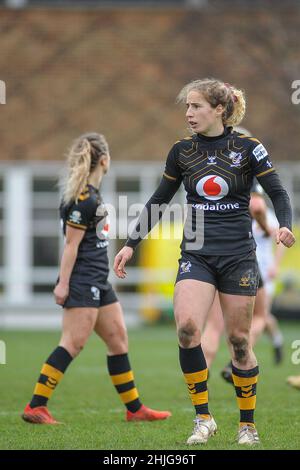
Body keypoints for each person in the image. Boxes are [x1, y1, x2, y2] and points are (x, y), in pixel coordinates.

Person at [114, 78, 295, 446]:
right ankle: (203, 419)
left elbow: (277, 191)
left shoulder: (249, 147)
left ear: (219, 110)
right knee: (187, 329)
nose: (189, 114)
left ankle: (247, 426)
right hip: (196, 254)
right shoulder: (182, 151)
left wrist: (286, 226)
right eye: (187, 107)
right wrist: (131, 243)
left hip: (238, 257)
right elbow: (159, 199)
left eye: (196, 106)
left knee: (240, 341)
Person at [22, 132, 171, 425]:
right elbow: (71, 246)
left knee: (118, 340)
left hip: (99, 281)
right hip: (83, 281)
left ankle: (135, 409)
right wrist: (63, 284)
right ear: (104, 160)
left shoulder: (92, 194)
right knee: (73, 343)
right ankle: (36, 406)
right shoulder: (84, 199)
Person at [202, 182, 286, 384]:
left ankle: (199, 378)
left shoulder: (217, 197)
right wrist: (264, 226)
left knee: (214, 326)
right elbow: (257, 207)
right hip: (248, 267)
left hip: (214, 262)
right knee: (258, 317)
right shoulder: (253, 199)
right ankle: (236, 364)